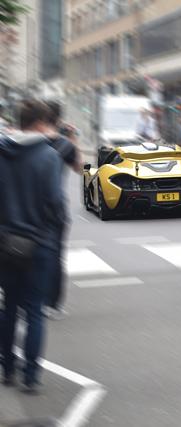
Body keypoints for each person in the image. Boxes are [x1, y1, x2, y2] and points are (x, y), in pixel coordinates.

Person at [0, 99, 66, 393]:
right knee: (35, 310)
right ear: (40, 123)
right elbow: (54, 202)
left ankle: (7, 369)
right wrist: (52, 229)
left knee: (8, 307)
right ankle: (30, 376)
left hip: (5, 242)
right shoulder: (48, 156)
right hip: (38, 243)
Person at [43, 101, 82, 320]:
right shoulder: (64, 144)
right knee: (54, 255)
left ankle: (27, 299)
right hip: (55, 207)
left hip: (22, 205)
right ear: (58, 120)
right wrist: (73, 138)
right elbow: (78, 167)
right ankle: (53, 304)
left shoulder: (20, 141)